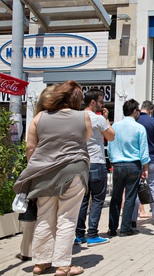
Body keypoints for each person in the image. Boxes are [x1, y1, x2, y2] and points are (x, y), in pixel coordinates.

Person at [13, 80, 91, 276]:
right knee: (67, 218)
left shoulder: (39, 118)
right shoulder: (84, 117)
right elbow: (84, 139)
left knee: (44, 217)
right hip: (74, 172)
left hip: (44, 173)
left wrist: (36, 168)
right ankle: (63, 266)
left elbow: (30, 147)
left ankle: (40, 263)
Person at [16, 84, 57, 262]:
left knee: (32, 210)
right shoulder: (61, 119)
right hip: (56, 172)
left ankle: (27, 250)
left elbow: (30, 147)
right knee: (50, 214)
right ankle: (47, 253)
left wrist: (32, 167)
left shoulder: (36, 119)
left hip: (36, 169)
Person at [75, 88, 115, 247]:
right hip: (96, 162)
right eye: (101, 101)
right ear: (93, 102)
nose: (103, 104)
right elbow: (111, 136)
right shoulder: (98, 119)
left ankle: (79, 235)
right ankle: (92, 234)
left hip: (80, 163)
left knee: (82, 200)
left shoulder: (76, 117)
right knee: (98, 199)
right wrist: (106, 119)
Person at [107, 99, 150, 237]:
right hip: (133, 165)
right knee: (130, 197)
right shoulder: (139, 128)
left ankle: (112, 228)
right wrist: (145, 168)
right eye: (138, 110)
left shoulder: (115, 126)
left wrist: (113, 162)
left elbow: (110, 147)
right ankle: (125, 228)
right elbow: (144, 151)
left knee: (116, 197)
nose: (139, 113)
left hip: (118, 165)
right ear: (134, 111)